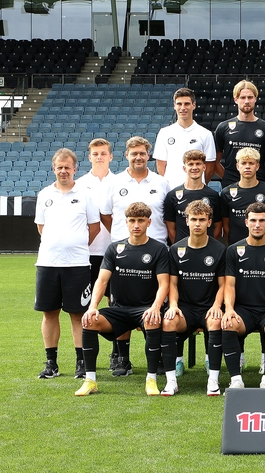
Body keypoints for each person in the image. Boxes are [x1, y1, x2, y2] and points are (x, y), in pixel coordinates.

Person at [75, 202, 170, 396]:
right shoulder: (114, 249)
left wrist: (155, 307)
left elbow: (164, 284)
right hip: (119, 309)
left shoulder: (158, 249)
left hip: (145, 309)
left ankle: (151, 379)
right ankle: (90, 380)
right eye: (132, 221)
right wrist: (92, 307)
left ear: (149, 222)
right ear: (126, 223)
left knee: (151, 320)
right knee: (90, 321)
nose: (136, 225)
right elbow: (101, 281)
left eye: (141, 221)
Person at [100, 136, 169, 374]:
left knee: (156, 305)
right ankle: (122, 357)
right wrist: (124, 240)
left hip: (156, 253)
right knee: (120, 304)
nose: (138, 157)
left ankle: (157, 355)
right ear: (126, 155)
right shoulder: (114, 182)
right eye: (133, 153)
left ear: (148, 155)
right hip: (124, 253)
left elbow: (167, 217)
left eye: (142, 153)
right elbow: (106, 216)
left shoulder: (162, 182)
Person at [34, 148, 101, 380]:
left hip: (77, 265)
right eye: (59, 167)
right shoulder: (44, 195)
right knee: (49, 313)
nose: (63, 171)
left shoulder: (85, 195)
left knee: (78, 314)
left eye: (67, 167)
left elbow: (94, 228)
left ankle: (81, 363)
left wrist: (76, 246)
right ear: (54, 169)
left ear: (75, 168)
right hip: (48, 264)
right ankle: (51, 363)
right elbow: (41, 228)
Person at [160, 200, 226, 396]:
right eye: (194, 219)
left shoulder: (220, 250)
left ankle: (213, 381)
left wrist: (216, 305)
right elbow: (172, 283)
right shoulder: (175, 249)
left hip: (209, 307)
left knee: (215, 321)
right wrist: (173, 305)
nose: (197, 224)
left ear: (209, 222)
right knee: (169, 321)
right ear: (187, 221)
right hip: (185, 309)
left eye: (202, 220)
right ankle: (171, 381)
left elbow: (223, 285)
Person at [224, 202, 265, 392]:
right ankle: (236, 379)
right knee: (228, 323)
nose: (257, 225)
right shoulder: (234, 250)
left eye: (262, 220)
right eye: (253, 220)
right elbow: (229, 284)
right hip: (243, 311)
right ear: (246, 222)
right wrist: (229, 309)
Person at [75, 138, 114, 319]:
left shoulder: (119, 182)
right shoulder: (79, 184)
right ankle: (87, 345)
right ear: (89, 157)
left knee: (114, 299)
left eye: (103, 153)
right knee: (87, 301)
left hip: (112, 249)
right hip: (88, 251)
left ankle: (117, 346)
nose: (99, 157)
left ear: (111, 157)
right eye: (95, 154)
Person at [153, 87, 217, 188]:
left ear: (194, 105)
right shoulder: (164, 133)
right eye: (179, 104)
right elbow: (161, 164)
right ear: (174, 106)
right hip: (171, 190)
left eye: (187, 104)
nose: (183, 107)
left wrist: (200, 183)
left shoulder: (205, 134)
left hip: (197, 190)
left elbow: (209, 166)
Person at [213, 79, 265, 186]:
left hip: (258, 185)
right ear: (235, 99)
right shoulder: (223, 127)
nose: (246, 101)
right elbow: (214, 162)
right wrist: (227, 177)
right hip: (231, 186)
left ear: (255, 99)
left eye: (250, 97)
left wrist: (261, 176)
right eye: (242, 97)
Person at [218, 147, 265, 245]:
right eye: (244, 163)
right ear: (237, 166)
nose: (247, 167)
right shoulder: (226, 193)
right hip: (236, 246)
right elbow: (226, 226)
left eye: (251, 163)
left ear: (257, 166)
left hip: (264, 246)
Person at [163, 149, 222, 243]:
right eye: (190, 164)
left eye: (198, 164)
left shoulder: (213, 196)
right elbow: (170, 229)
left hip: (207, 250)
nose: (194, 167)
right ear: (184, 168)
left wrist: (208, 245)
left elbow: (218, 227)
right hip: (182, 251)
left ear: (204, 167)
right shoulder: (172, 195)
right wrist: (180, 246)